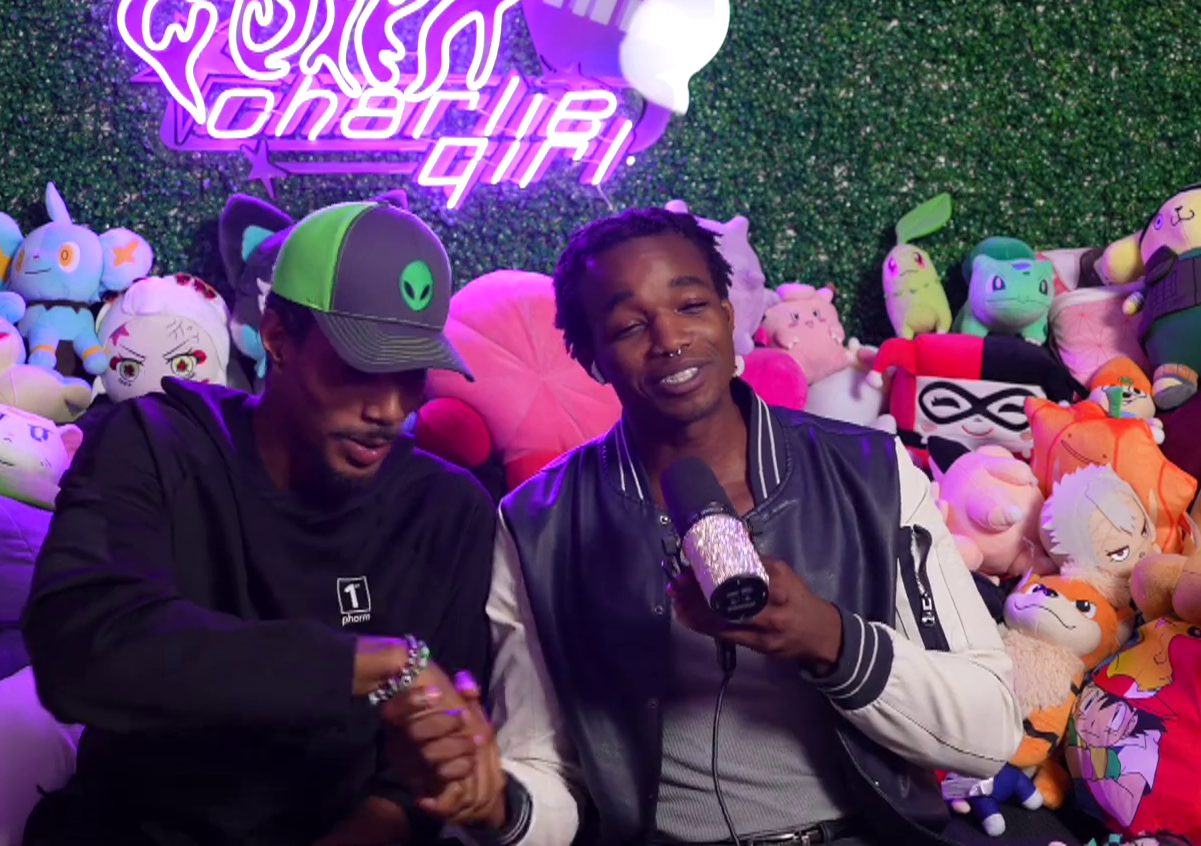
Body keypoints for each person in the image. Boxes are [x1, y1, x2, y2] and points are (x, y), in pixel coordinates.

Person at [392, 206, 1079, 845]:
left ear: (727, 315)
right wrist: (498, 803)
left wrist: (830, 641)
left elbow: (987, 729)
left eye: (691, 305)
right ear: (592, 357)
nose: (670, 339)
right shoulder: (536, 524)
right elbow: (548, 767)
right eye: (629, 326)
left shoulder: (870, 472)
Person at [21, 199, 504, 845]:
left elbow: (408, 788)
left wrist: (450, 771)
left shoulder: (447, 510)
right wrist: (363, 664)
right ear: (277, 338)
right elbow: (81, 648)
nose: (390, 409)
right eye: (362, 367)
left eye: (410, 373)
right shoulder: (158, 443)